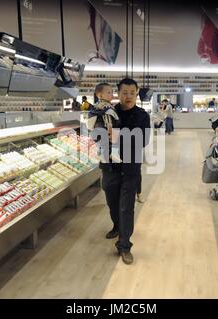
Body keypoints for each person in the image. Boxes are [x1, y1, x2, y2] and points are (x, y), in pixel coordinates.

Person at [101, 77, 151, 265]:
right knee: (112, 201)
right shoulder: (108, 112)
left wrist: (116, 135)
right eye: (124, 93)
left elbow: (143, 140)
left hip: (130, 168)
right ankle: (116, 225)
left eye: (132, 93)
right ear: (118, 93)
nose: (128, 96)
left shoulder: (142, 116)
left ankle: (124, 245)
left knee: (126, 207)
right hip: (109, 166)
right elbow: (98, 137)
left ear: (136, 93)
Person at [87, 82, 121, 164]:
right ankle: (113, 154)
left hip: (99, 130)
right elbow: (108, 118)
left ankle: (104, 154)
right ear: (100, 95)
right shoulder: (105, 106)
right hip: (105, 127)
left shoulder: (97, 106)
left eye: (112, 92)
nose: (111, 94)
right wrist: (110, 127)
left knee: (103, 144)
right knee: (112, 142)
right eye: (109, 92)